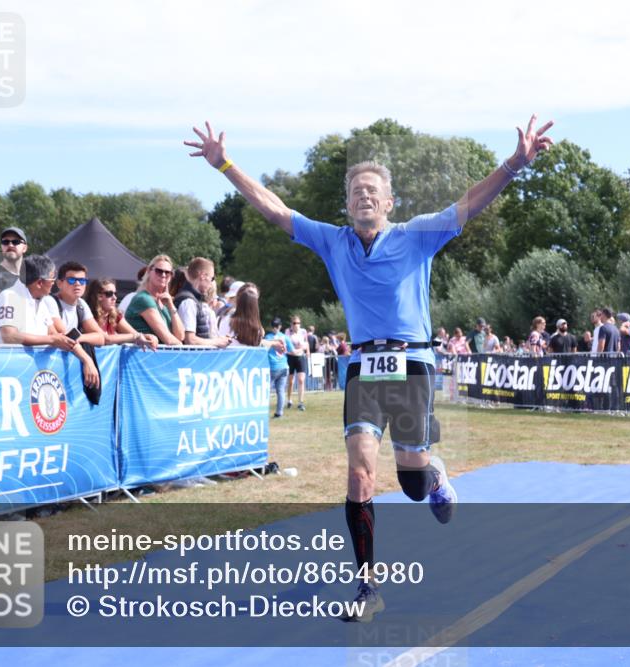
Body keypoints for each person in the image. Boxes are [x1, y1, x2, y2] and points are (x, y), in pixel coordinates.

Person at [187, 112, 554, 621]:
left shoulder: (418, 234)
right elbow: (275, 210)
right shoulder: (332, 240)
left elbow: (470, 204)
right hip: (362, 365)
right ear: (347, 203)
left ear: (388, 202)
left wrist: (515, 163)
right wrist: (224, 164)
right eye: (356, 189)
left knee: (411, 481)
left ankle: (433, 470)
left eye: (372, 190)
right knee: (359, 476)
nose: (363, 196)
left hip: (412, 364)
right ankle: (367, 589)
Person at [0, 255, 99, 388]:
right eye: (52, 279)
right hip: (5, 376)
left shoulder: (41, 300)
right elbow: (9, 336)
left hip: (28, 375)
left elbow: (58, 335)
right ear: (40, 283)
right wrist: (51, 340)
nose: (54, 283)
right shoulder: (10, 296)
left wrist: (87, 360)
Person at [125, 255, 186, 345]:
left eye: (168, 272)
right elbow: (168, 340)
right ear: (149, 271)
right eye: (159, 271)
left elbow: (180, 336)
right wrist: (184, 351)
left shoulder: (165, 303)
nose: (163, 275)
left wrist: (171, 305)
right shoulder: (143, 299)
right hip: (143, 356)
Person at [84, 277, 158, 348]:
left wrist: (148, 337)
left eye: (115, 294)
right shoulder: (87, 316)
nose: (114, 298)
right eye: (109, 294)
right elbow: (106, 339)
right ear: (98, 296)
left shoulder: (115, 315)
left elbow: (134, 334)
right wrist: (136, 336)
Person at [174, 257, 230, 347]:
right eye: (212, 278)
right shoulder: (188, 302)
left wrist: (219, 340)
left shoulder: (192, 300)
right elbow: (190, 340)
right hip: (190, 359)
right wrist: (217, 342)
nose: (211, 283)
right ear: (203, 276)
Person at [53, 261, 105, 346]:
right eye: (71, 280)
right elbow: (63, 336)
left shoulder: (81, 304)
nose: (77, 284)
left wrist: (79, 337)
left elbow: (101, 338)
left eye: (82, 280)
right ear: (59, 283)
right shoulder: (50, 302)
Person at [264, 317, 294, 418]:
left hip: (272, 367)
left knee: (266, 391)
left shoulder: (268, 337)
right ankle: (279, 412)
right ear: (280, 326)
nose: (275, 328)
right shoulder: (285, 337)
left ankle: (263, 412)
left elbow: (264, 350)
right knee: (280, 391)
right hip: (284, 366)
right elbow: (292, 350)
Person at [285, 314, 310, 411]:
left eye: (298, 323)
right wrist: (299, 349)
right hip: (290, 357)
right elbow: (288, 346)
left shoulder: (303, 331)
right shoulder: (288, 332)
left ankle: (301, 402)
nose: (297, 325)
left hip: (300, 357)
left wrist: (307, 351)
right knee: (291, 381)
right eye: (295, 323)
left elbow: (306, 343)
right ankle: (289, 400)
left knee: (301, 380)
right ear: (291, 324)